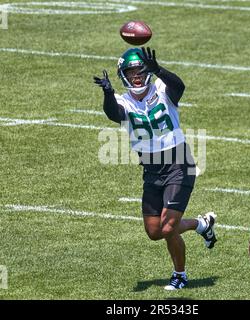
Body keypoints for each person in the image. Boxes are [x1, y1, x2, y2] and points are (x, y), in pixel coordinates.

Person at [93, 47, 217, 290]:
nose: (137, 76)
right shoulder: (123, 101)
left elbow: (179, 87)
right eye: (131, 72)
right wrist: (108, 93)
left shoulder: (162, 89)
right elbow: (113, 114)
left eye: (140, 70)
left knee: (168, 226)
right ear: (123, 75)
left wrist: (159, 69)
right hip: (150, 169)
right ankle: (201, 224)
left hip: (178, 162)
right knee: (154, 231)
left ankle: (179, 275)